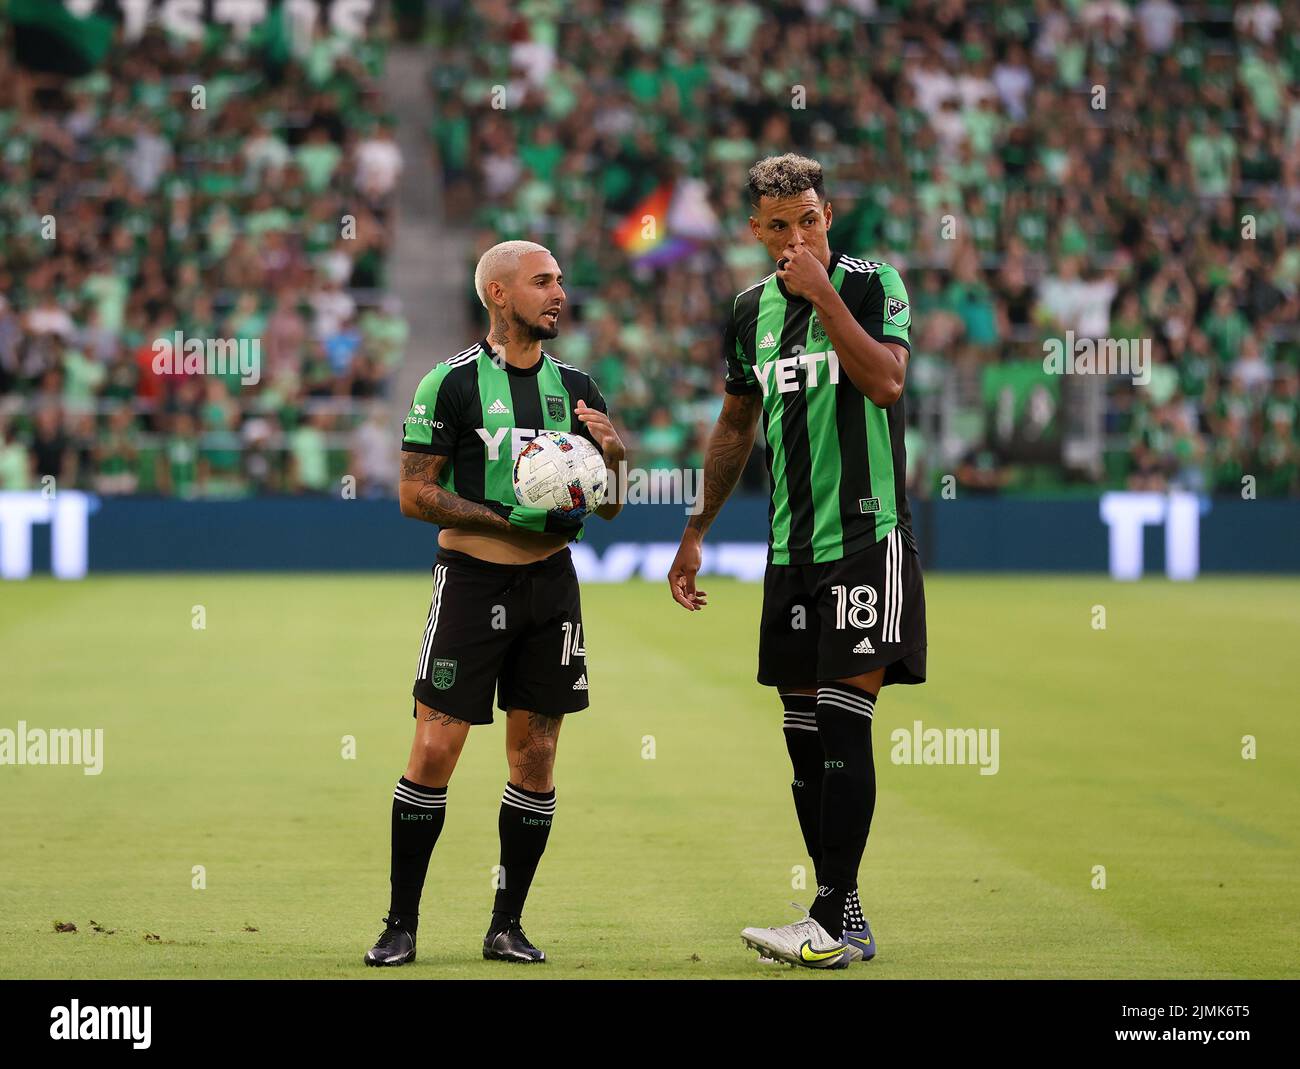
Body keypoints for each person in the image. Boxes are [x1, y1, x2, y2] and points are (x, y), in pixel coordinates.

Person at [668, 155, 927, 969]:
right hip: (792, 550)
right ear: (755, 230)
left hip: (865, 537)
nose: (795, 236)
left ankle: (830, 917)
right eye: (777, 225)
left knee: (847, 726)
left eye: (807, 218)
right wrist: (697, 526)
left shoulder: (871, 282)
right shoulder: (748, 312)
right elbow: (736, 424)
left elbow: (886, 383)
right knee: (803, 741)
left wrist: (819, 293)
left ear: (828, 212)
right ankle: (842, 908)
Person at [364, 240, 624, 966]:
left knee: (535, 757)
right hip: (473, 584)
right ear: (500, 295)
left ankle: (505, 924)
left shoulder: (577, 387)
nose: (559, 293)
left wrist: (616, 458)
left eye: (561, 281)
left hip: (552, 586)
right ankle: (400, 923)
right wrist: (501, 516)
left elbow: (607, 510)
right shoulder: (447, 384)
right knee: (435, 746)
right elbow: (416, 493)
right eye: (543, 282)